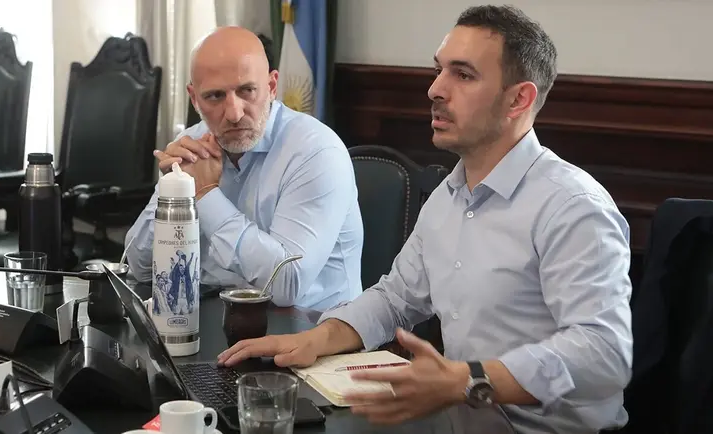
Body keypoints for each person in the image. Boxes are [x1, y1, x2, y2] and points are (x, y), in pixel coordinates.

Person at [217, 5, 633, 434]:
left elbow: (604, 354)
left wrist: (469, 379)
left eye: (463, 74)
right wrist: (313, 340)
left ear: (518, 99)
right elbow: (396, 299)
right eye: (438, 71)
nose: (435, 88)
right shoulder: (450, 196)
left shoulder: (572, 206)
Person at [124, 27, 364, 311]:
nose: (235, 113)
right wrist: (170, 196)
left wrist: (205, 195)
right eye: (215, 96)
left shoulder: (316, 152)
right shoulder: (192, 147)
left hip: (313, 334)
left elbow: (287, 284)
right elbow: (137, 268)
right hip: (220, 324)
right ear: (194, 98)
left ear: (272, 86)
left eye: (247, 91)